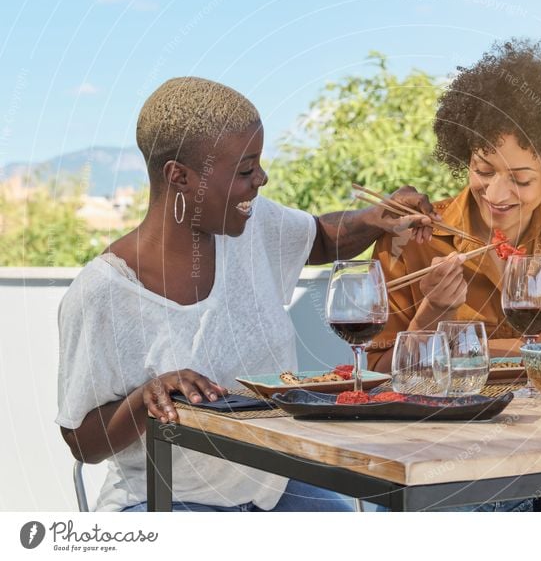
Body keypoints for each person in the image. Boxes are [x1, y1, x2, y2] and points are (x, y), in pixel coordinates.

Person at [56, 77, 438, 512]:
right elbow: (84, 444)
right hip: (166, 499)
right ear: (178, 176)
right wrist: (150, 394)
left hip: (273, 489)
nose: (262, 178)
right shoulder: (103, 293)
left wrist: (379, 217)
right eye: (244, 170)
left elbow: (319, 239)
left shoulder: (251, 227)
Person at [366, 39, 541, 512]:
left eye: (522, 180)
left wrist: (469, 352)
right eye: (482, 170)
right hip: (437, 469)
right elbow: (378, 377)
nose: (498, 193)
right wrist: (432, 312)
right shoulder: (412, 237)